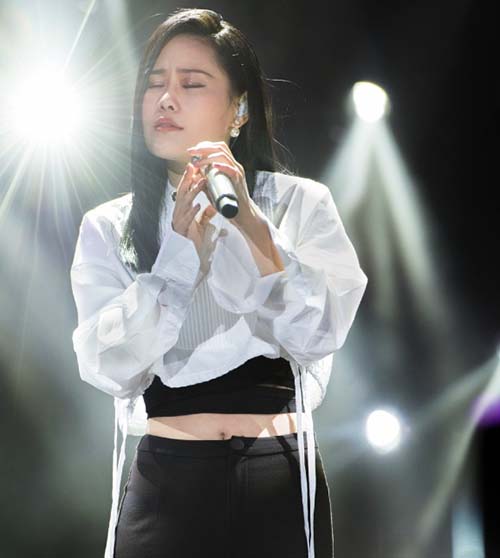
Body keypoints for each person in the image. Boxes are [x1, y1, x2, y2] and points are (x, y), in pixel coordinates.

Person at [70, 7, 368, 558]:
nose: (166, 99)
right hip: (168, 482)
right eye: (154, 83)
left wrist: (252, 226)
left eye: (192, 83)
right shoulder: (109, 225)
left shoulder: (299, 204)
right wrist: (177, 263)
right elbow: (110, 366)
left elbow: (319, 334)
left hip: (276, 474)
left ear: (240, 109)